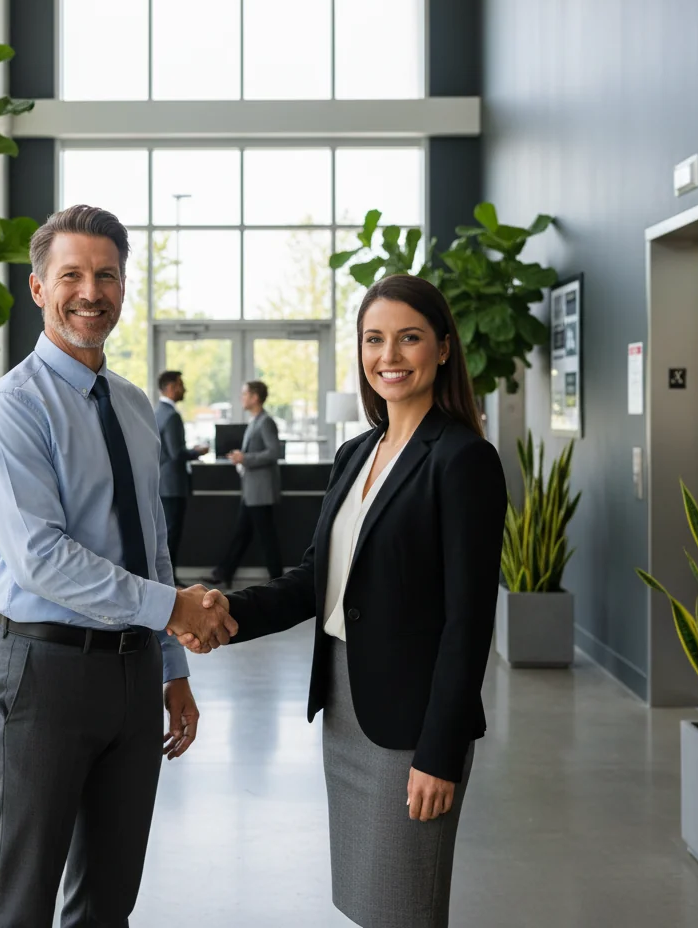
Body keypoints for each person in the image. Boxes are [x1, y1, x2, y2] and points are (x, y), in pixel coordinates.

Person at [176, 274, 507, 928]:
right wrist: (225, 616)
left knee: (404, 906)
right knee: (366, 900)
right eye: (374, 339)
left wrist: (439, 752)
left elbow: (468, 623)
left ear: (442, 348)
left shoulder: (463, 459)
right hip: (349, 709)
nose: (389, 355)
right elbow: (314, 580)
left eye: (409, 338)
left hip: (411, 724)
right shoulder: (357, 454)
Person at [0, 204, 237, 928]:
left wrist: (173, 671)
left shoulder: (133, 404)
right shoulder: (11, 410)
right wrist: (174, 610)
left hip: (132, 672)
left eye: (107, 275)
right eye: (72, 275)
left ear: (124, 286)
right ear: (37, 288)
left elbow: (150, 543)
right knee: (22, 899)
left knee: (108, 899)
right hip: (45, 674)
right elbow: (41, 559)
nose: (92, 292)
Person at [205, 380, 284, 588]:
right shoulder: (255, 420)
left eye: (244, 394)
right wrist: (241, 457)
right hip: (252, 491)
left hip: (260, 492)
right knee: (242, 533)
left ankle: (278, 579)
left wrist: (245, 458)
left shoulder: (265, 421)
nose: (242, 398)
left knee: (266, 537)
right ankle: (225, 572)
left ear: (255, 397)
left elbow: (274, 452)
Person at [155, 370, 209, 584]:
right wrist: (197, 452)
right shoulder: (171, 415)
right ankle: (170, 580)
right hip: (173, 484)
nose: (184, 389)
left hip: (162, 483)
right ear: (170, 387)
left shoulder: (157, 411)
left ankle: (168, 579)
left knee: (166, 534)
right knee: (171, 534)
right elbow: (177, 453)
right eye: (180, 384)